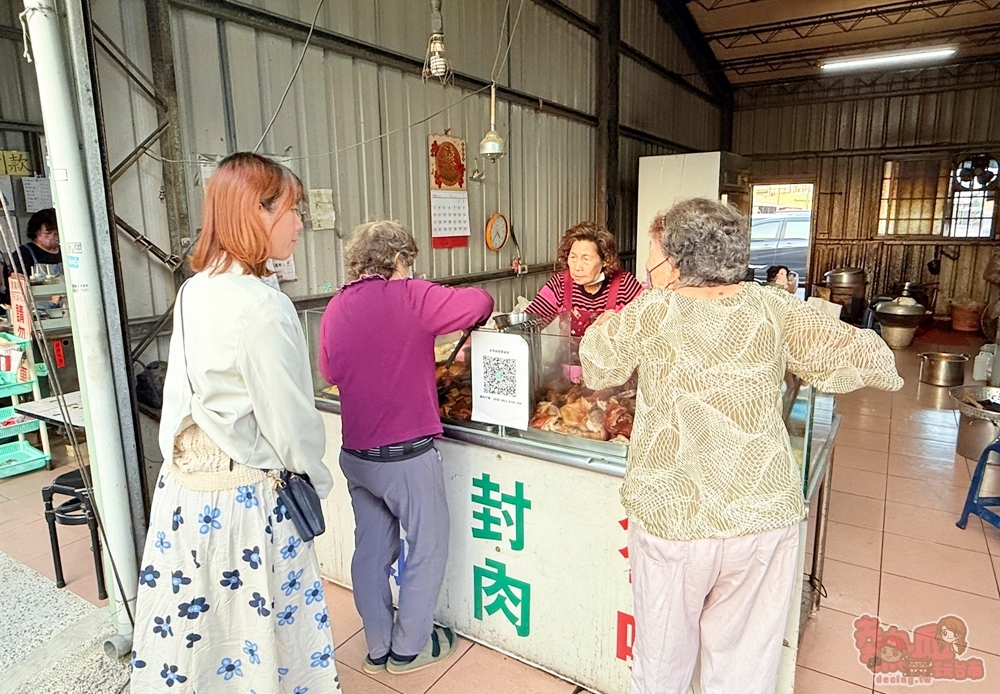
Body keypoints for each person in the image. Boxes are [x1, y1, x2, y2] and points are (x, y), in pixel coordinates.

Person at [580, 198, 902, 694]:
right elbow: (872, 359)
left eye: (654, 251)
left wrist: (614, 321)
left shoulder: (651, 310)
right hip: (763, 516)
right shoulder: (773, 307)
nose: (648, 262)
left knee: (661, 667)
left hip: (674, 517)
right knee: (745, 671)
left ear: (677, 258)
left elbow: (598, 367)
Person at [131, 152, 341, 693]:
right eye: (290, 211)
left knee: (199, 635)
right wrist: (316, 481)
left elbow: (177, 394)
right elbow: (291, 423)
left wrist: (181, 464)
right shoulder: (263, 306)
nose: (299, 224)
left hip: (185, 496)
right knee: (263, 634)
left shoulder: (195, 288)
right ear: (255, 213)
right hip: (249, 501)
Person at [319, 220, 494, 675]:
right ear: (399, 261)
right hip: (406, 458)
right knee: (428, 547)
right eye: (408, 262)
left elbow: (331, 373)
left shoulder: (336, 306)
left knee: (371, 552)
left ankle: (377, 646)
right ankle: (409, 648)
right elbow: (481, 301)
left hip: (357, 457)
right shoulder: (412, 295)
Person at [525, 222, 642, 338]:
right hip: (568, 356)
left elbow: (648, 328)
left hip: (610, 357)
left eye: (586, 259)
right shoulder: (560, 283)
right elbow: (529, 323)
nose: (577, 267)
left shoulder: (625, 284)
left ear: (605, 260)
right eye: (573, 257)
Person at [16, 207, 62, 277]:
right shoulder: (24, 252)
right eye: (47, 233)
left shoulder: (64, 251)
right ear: (36, 232)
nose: (52, 237)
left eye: (56, 234)